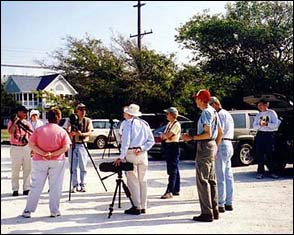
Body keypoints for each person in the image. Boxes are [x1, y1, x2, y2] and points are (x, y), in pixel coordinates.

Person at [182, 89, 223, 222]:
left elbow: (207, 133)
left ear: (201, 99)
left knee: (202, 180)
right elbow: (220, 132)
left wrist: (191, 137)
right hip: (211, 145)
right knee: (211, 180)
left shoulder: (206, 112)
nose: (195, 101)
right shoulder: (214, 112)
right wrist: (215, 146)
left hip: (204, 145)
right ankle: (214, 210)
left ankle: (207, 213)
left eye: (196, 99)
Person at [22, 108, 71, 218]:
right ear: (58, 118)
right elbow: (66, 147)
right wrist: (52, 154)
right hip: (57, 160)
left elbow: (31, 144)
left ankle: (28, 210)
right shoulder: (62, 131)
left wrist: (43, 153)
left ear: (47, 118)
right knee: (55, 186)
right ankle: (54, 210)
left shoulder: (39, 130)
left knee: (35, 186)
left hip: (39, 160)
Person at [114, 104, 155, 215]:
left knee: (133, 180)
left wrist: (121, 157)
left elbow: (125, 142)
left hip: (131, 152)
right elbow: (151, 141)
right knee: (143, 180)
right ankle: (143, 206)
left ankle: (136, 206)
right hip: (142, 153)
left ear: (129, 114)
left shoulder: (127, 124)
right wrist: (142, 148)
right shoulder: (144, 124)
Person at [209, 96, 234, 213]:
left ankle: (221, 203)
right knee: (228, 175)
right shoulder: (228, 114)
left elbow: (220, 132)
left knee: (220, 175)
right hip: (229, 143)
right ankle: (229, 202)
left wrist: (215, 147)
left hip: (222, 143)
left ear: (215, 104)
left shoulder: (219, 115)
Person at [7, 105, 33, 196]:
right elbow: (10, 132)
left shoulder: (27, 123)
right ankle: (15, 189)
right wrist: (15, 122)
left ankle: (26, 188)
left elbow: (31, 135)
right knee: (15, 169)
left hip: (26, 147)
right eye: (24, 112)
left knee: (27, 168)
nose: (26, 114)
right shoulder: (12, 121)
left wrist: (32, 148)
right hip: (15, 147)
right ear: (18, 112)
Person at [66, 103, 93, 193]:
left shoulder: (87, 120)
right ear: (77, 110)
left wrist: (81, 134)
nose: (83, 112)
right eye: (81, 110)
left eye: (84, 110)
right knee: (72, 166)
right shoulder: (71, 119)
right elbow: (67, 129)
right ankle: (74, 185)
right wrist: (71, 132)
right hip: (73, 144)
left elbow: (89, 132)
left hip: (82, 144)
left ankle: (83, 184)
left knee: (83, 166)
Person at [253, 99, 281, 179]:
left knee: (270, 153)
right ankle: (260, 172)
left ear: (266, 105)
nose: (259, 107)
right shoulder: (258, 115)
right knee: (259, 153)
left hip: (269, 135)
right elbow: (254, 126)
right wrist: (260, 125)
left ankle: (272, 172)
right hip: (260, 134)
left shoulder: (272, 113)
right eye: (258, 105)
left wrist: (267, 124)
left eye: (261, 105)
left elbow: (275, 125)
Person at [160, 107, 181, 199]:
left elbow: (168, 135)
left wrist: (165, 136)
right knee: (174, 167)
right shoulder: (169, 124)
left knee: (172, 170)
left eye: (168, 114)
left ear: (172, 115)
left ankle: (170, 191)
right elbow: (164, 136)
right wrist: (165, 136)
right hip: (168, 146)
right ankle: (176, 188)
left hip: (173, 146)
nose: (166, 115)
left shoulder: (176, 124)